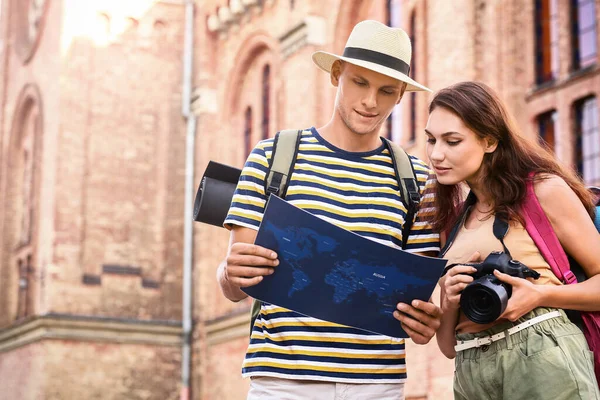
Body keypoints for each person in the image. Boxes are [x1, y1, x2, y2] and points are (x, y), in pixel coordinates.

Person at [217, 20, 441, 400]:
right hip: (281, 384)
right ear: (337, 74)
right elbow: (234, 286)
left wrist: (425, 321)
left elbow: (417, 297)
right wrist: (229, 273)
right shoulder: (272, 158)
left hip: (377, 386)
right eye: (359, 82)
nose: (371, 101)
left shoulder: (418, 181)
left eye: (386, 90)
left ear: (401, 95)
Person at [427, 81, 600, 399]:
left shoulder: (543, 191)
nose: (436, 154)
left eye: (452, 141)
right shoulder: (451, 222)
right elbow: (447, 347)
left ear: (489, 140)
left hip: (541, 356)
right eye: (432, 140)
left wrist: (538, 294)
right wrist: (449, 300)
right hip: (470, 369)